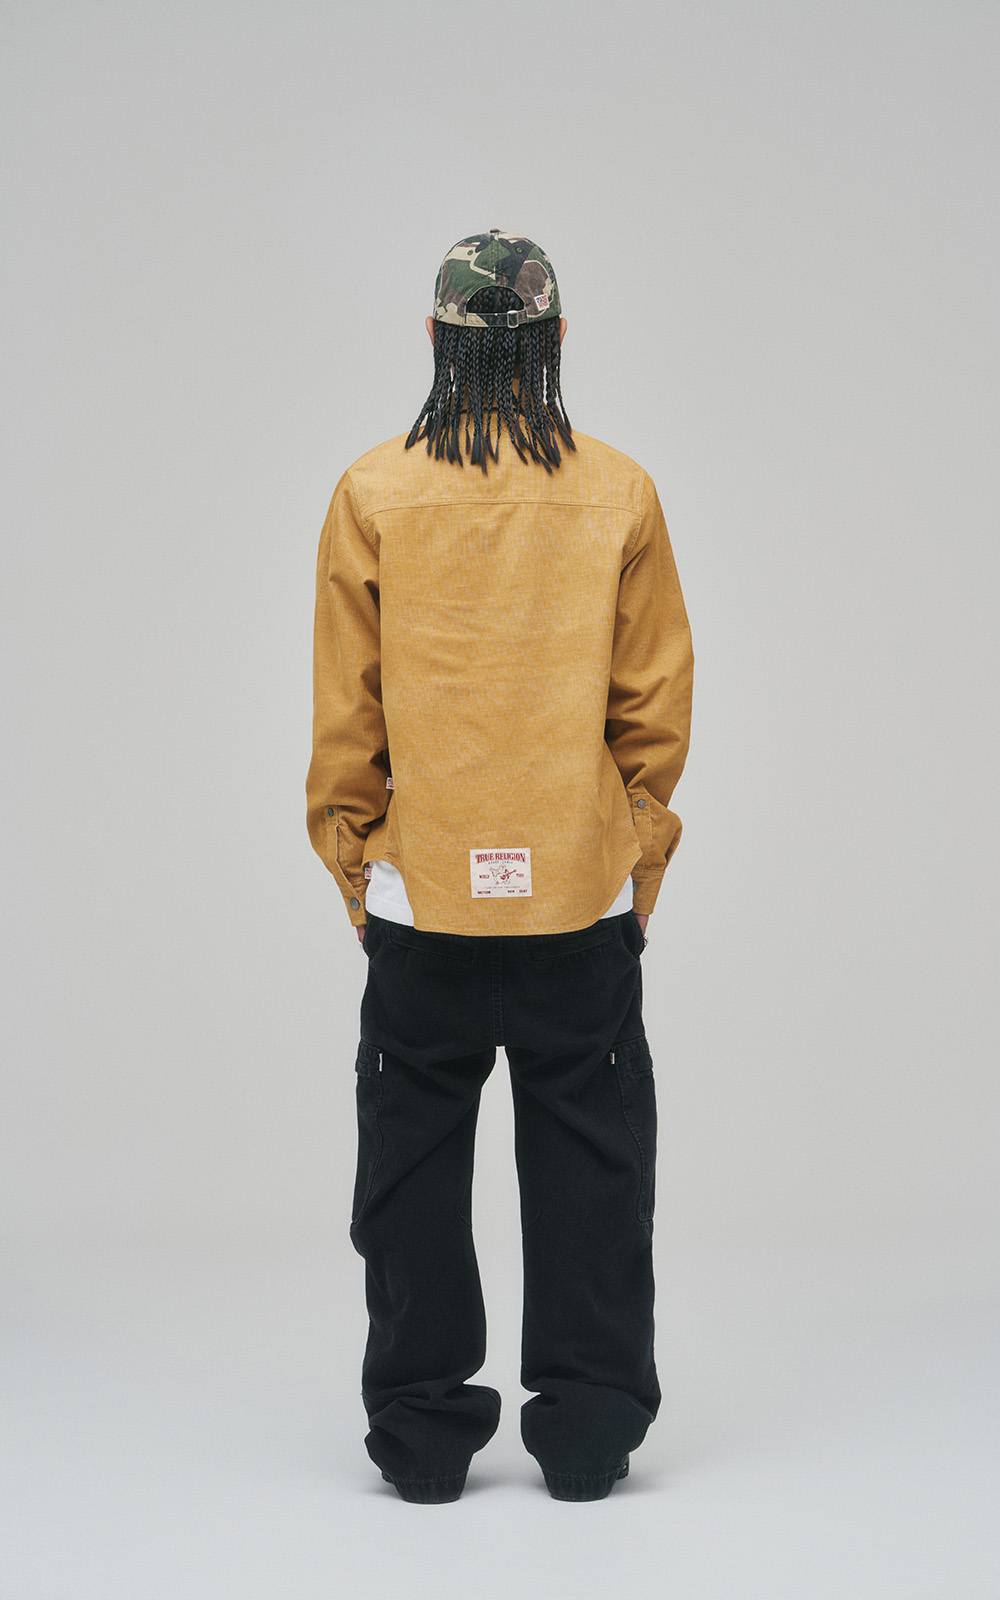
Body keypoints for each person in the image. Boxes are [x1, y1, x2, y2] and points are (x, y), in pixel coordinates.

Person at [306, 230, 694, 1503]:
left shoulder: (372, 490)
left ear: (435, 342)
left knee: (411, 1168)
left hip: (422, 901)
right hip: (578, 900)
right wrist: (630, 866)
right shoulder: (620, 491)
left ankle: (421, 1440)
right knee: (592, 1167)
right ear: (556, 341)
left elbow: (346, 720)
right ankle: (585, 1437)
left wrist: (362, 872)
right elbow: (653, 715)